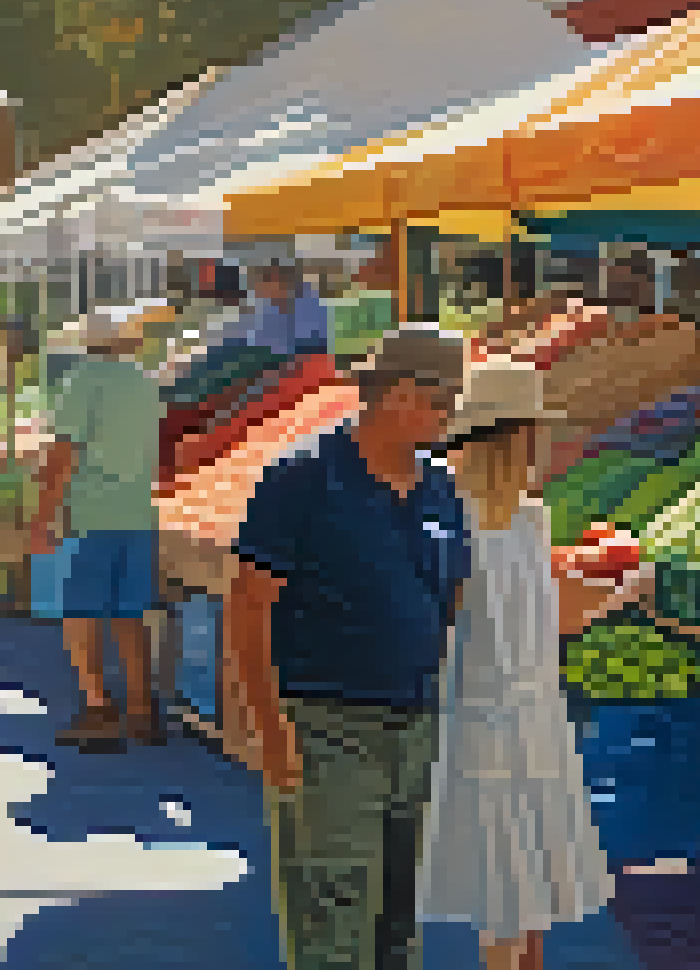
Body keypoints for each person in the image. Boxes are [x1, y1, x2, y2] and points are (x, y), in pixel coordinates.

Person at [231, 326, 472, 970]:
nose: (450, 415)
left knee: (401, 919)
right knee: (333, 920)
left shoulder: (441, 487)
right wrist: (270, 727)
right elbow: (249, 606)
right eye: (440, 400)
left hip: (415, 728)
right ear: (395, 394)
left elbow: (449, 602)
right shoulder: (301, 479)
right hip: (325, 726)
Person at [419, 358, 618, 970]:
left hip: (485, 718)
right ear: (520, 440)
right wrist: (624, 589)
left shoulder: (452, 520)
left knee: (508, 892)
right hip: (521, 722)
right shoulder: (519, 521)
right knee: (520, 891)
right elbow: (559, 620)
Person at [28, 306, 167, 749]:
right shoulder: (144, 383)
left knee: (80, 614)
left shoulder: (82, 381)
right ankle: (143, 711)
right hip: (138, 514)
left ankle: (99, 707)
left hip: (92, 515)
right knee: (130, 613)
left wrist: (42, 517)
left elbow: (62, 456)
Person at [239, 263, 331, 357]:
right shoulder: (267, 309)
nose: (262, 291)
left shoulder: (309, 303)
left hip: (308, 358)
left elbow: (315, 343)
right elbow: (258, 340)